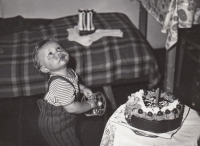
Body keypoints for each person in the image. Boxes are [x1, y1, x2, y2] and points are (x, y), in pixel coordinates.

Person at [32, 36, 97, 146]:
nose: (57, 53)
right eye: (50, 54)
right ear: (45, 69)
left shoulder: (68, 71)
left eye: (58, 48)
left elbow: (74, 82)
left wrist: (83, 88)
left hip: (64, 115)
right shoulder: (60, 84)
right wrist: (89, 105)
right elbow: (72, 108)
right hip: (56, 124)